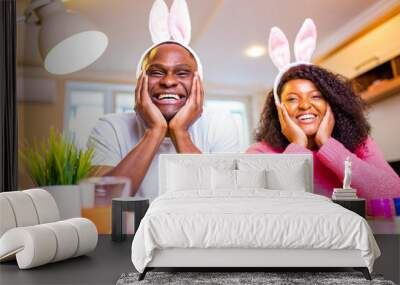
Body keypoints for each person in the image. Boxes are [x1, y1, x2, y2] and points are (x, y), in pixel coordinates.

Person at [88, 0, 240, 199]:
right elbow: (102, 202)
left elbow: (226, 201)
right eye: (157, 72)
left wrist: (180, 132)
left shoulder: (221, 124)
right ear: (140, 81)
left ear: (198, 83)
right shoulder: (110, 128)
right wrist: (154, 131)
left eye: (182, 73)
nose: (168, 81)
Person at [247, 18, 400, 214]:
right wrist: (298, 146)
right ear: (279, 109)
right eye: (292, 99)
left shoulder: (361, 143)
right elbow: (264, 209)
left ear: (331, 103)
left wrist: (328, 145)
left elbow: (394, 195)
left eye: (316, 96)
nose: (304, 105)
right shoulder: (259, 152)